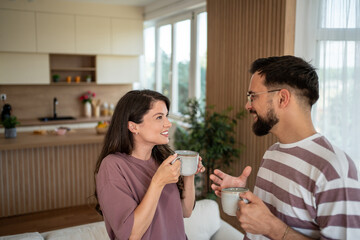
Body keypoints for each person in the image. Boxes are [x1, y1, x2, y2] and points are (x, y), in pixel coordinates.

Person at [210, 56, 360, 239]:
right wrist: (241, 197)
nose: (247, 105)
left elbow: (269, 225)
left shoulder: (335, 169)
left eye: (253, 96)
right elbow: (264, 222)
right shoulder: (273, 152)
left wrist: (273, 228)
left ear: (282, 98)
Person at [94, 90, 205, 240]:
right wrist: (158, 182)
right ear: (134, 127)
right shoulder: (112, 166)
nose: (168, 123)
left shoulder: (162, 159)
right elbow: (132, 234)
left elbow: (185, 211)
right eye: (159, 117)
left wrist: (189, 174)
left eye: (166, 116)